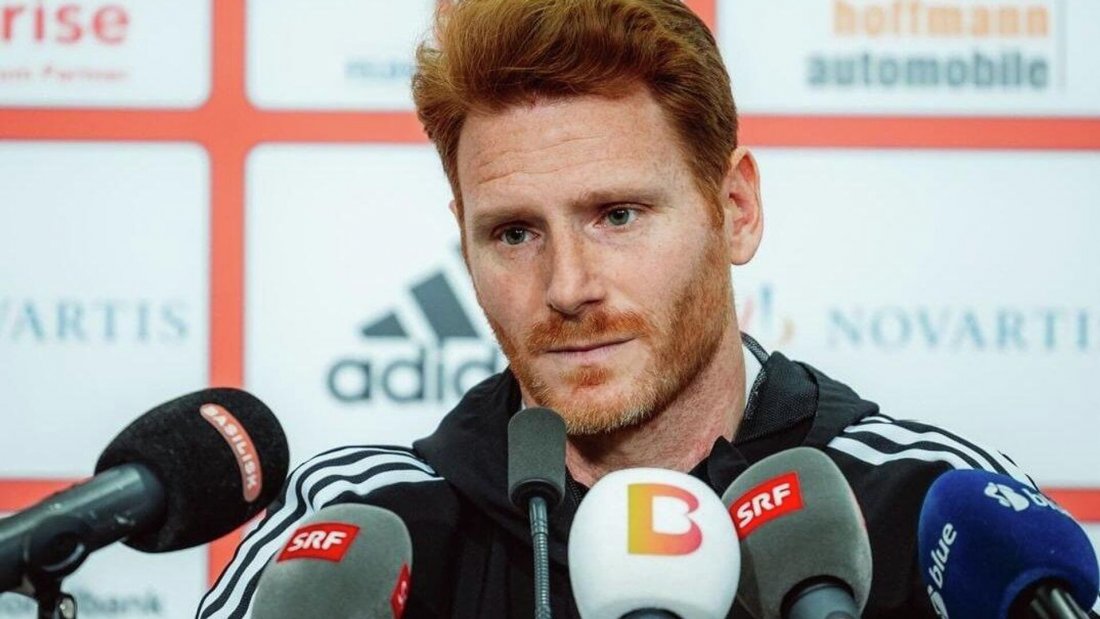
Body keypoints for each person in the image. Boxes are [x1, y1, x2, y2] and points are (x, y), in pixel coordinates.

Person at [197, 1, 1075, 617]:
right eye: (513, 233)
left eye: (617, 215)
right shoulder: (357, 532)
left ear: (736, 210)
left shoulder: (928, 509)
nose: (567, 286)